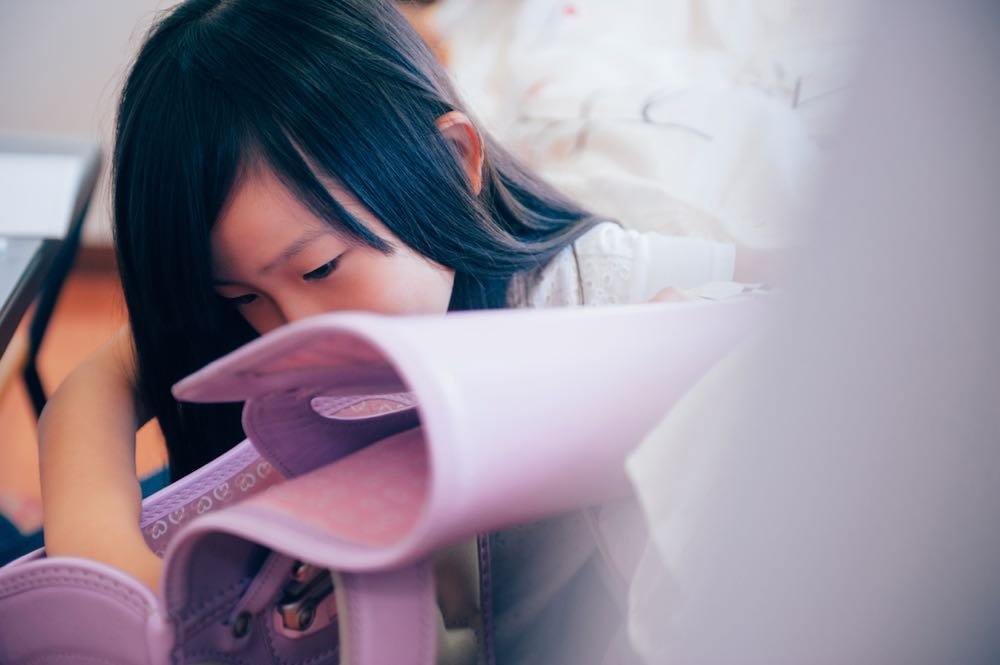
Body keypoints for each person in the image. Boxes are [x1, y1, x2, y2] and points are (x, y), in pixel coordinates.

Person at [37, 0, 760, 661]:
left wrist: (694, 323)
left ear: (452, 162)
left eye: (321, 268)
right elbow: (98, 382)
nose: (292, 332)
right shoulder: (246, 314)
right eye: (245, 296)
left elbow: (790, 289)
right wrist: (125, 586)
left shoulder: (586, 288)